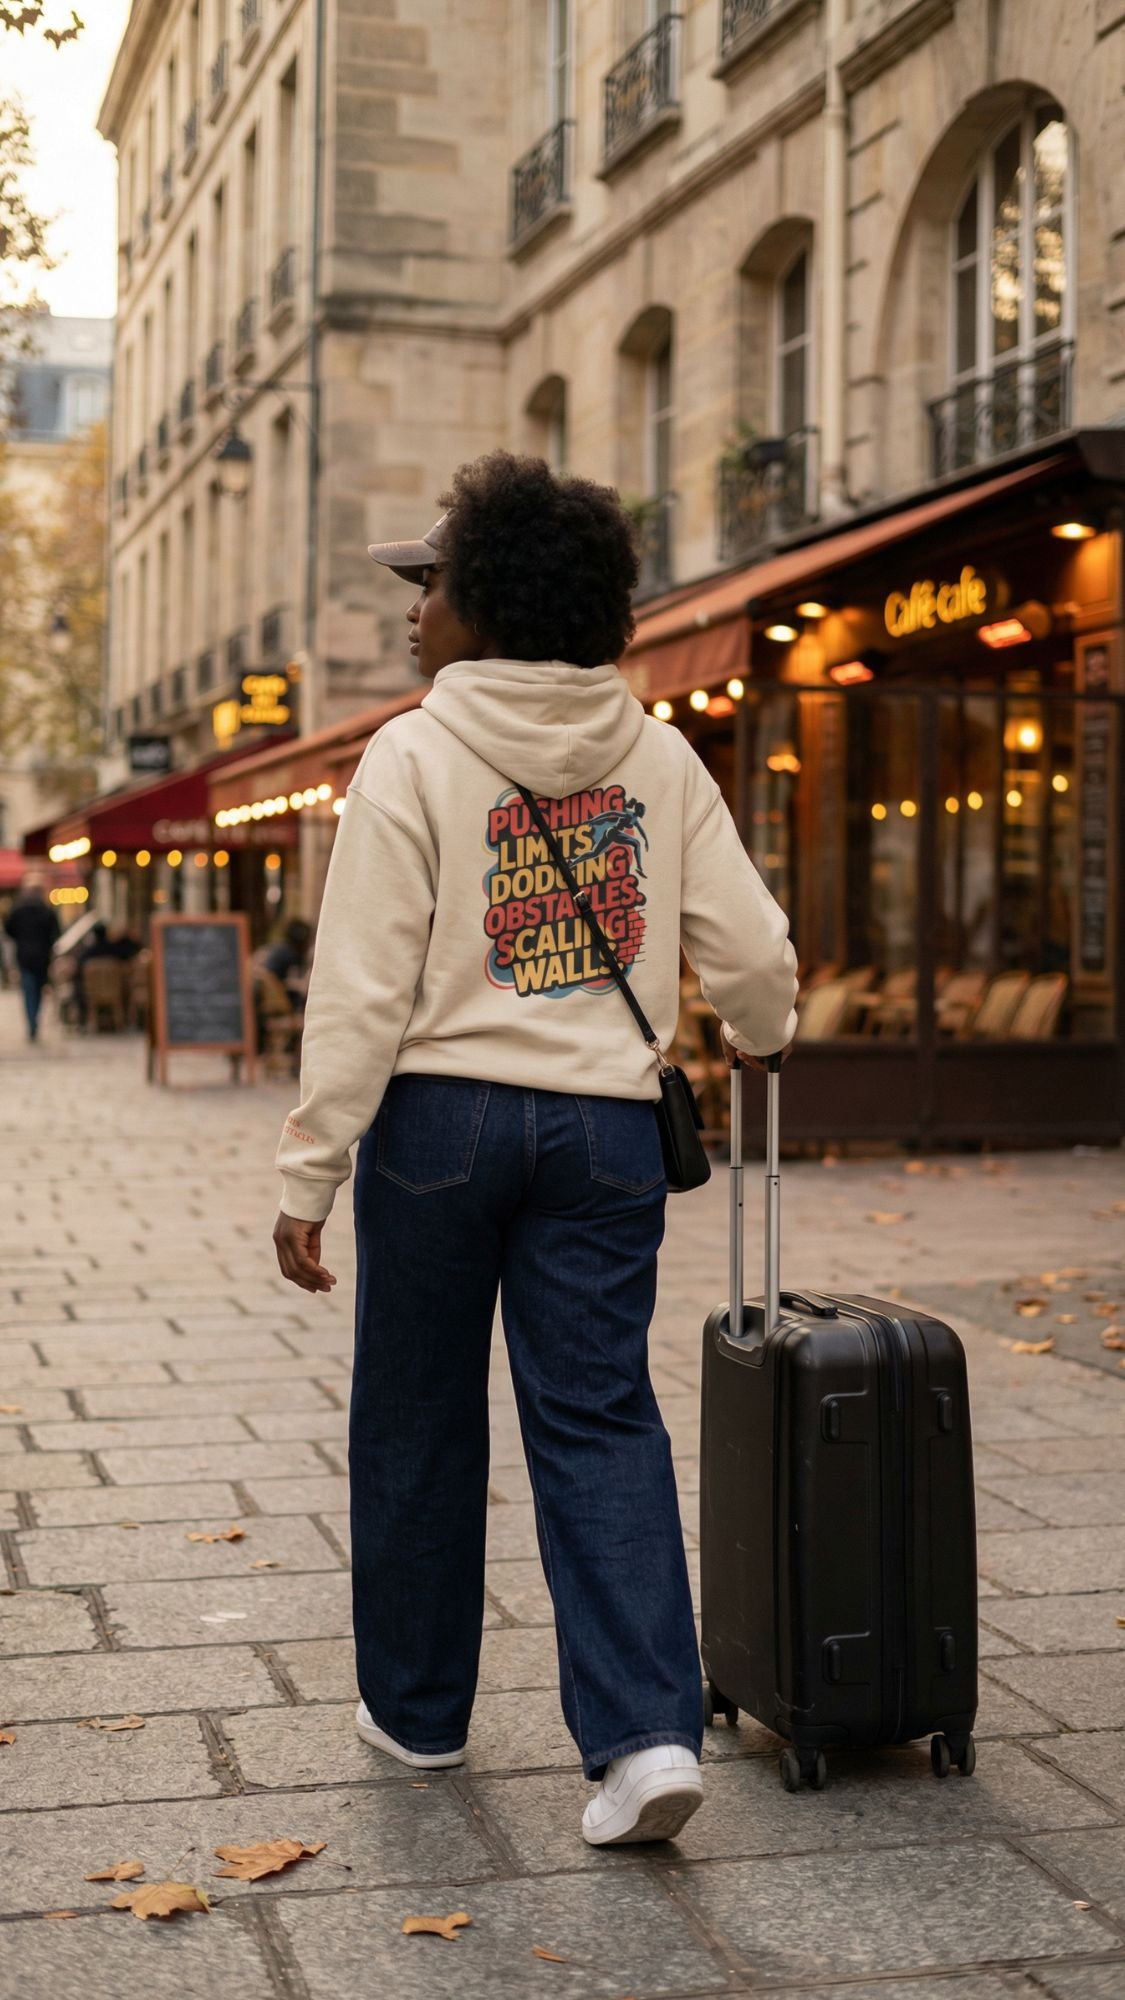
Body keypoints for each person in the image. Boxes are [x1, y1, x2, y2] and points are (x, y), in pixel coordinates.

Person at [272, 452, 798, 1847]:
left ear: (489, 597)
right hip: (608, 1131)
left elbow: (363, 988)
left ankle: (420, 1714)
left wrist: (308, 1172)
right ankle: (639, 1740)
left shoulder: (412, 754)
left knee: (418, 1416)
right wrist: (761, 1025)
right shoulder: (658, 751)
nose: (411, 607)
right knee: (596, 1413)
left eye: (430, 579)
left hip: (439, 1121)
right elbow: (747, 949)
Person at [4, 877, 61, 1042]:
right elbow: (56, 933)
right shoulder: (47, 911)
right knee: (37, 989)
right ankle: (34, 1018)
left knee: (29, 989)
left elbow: (9, 930)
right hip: (42, 956)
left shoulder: (18, 910)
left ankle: (32, 1021)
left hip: (24, 955)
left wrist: (21, 940)